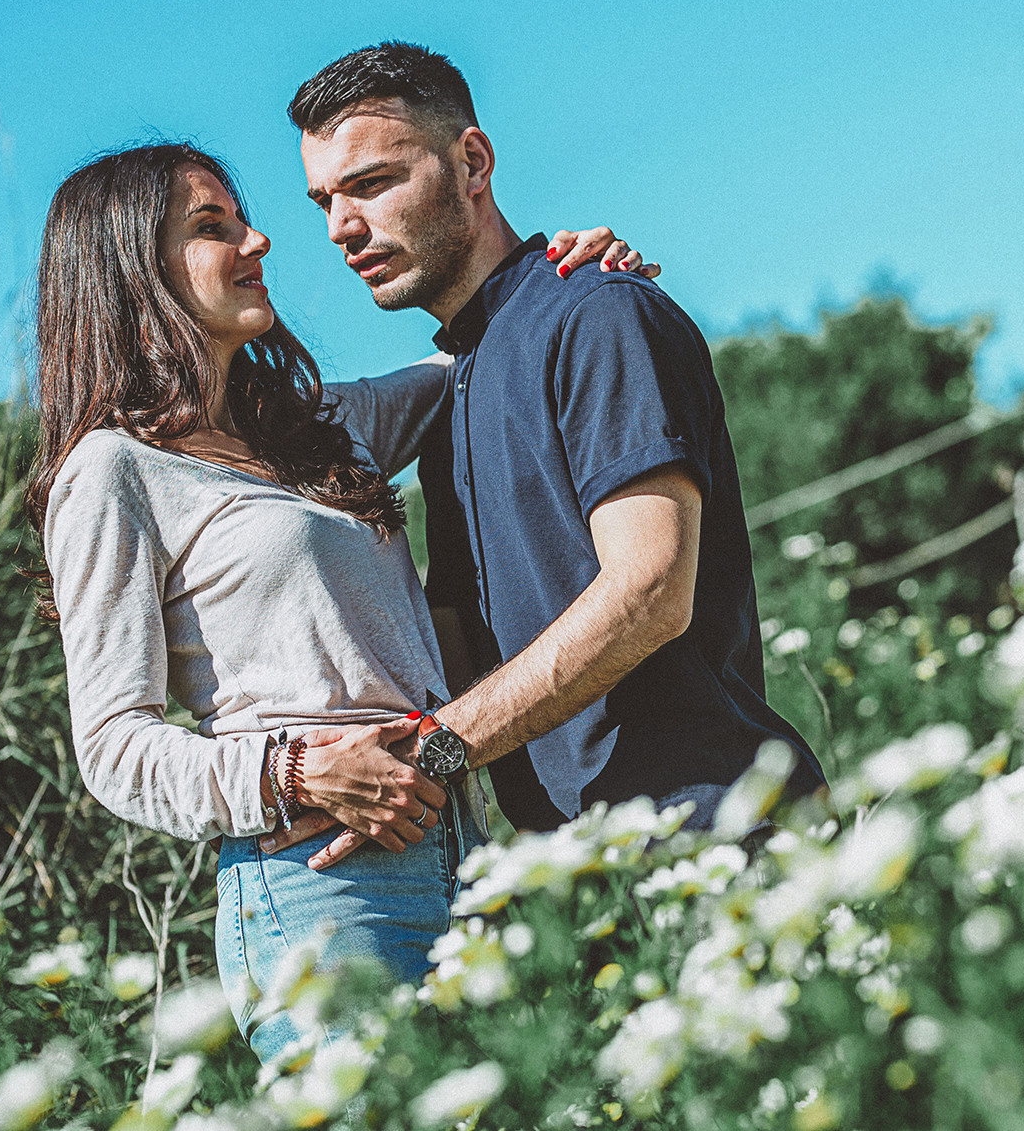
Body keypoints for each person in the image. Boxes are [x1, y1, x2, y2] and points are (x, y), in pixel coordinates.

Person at [24, 141, 652, 1061]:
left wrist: (570, 280)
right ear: (129, 268)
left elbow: (477, 369)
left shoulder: (322, 432)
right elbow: (113, 747)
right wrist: (293, 773)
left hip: (462, 854)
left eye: (241, 220)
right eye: (213, 229)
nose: (260, 241)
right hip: (321, 889)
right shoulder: (114, 470)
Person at [272, 42, 825, 864]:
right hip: (575, 875)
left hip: (712, 838)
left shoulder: (598, 312)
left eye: (371, 183)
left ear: (473, 161)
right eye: (323, 200)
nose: (341, 228)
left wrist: (435, 748)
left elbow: (651, 589)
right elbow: (455, 642)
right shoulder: (456, 384)